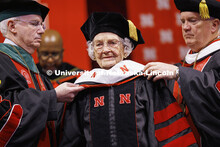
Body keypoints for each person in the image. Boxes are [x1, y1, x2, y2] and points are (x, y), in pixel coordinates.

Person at [59, 12, 197, 147]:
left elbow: (169, 131)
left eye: (112, 43)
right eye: (99, 44)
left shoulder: (145, 81)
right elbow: (73, 138)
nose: (105, 49)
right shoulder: (83, 89)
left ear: (125, 49)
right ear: (92, 52)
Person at [0, 0, 84, 146]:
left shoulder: (31, 67)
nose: (42, 30)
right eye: (34, 24)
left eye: (42, 25)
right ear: (12, 26)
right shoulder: (2, 61)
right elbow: (6, 109)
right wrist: (54, 96)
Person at [143, 0, 220, 146]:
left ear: (214, 25)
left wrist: (180, 73)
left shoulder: (184, 69)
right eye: (182, 21)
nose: (185, 27)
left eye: (192, 21)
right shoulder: (186, 63)